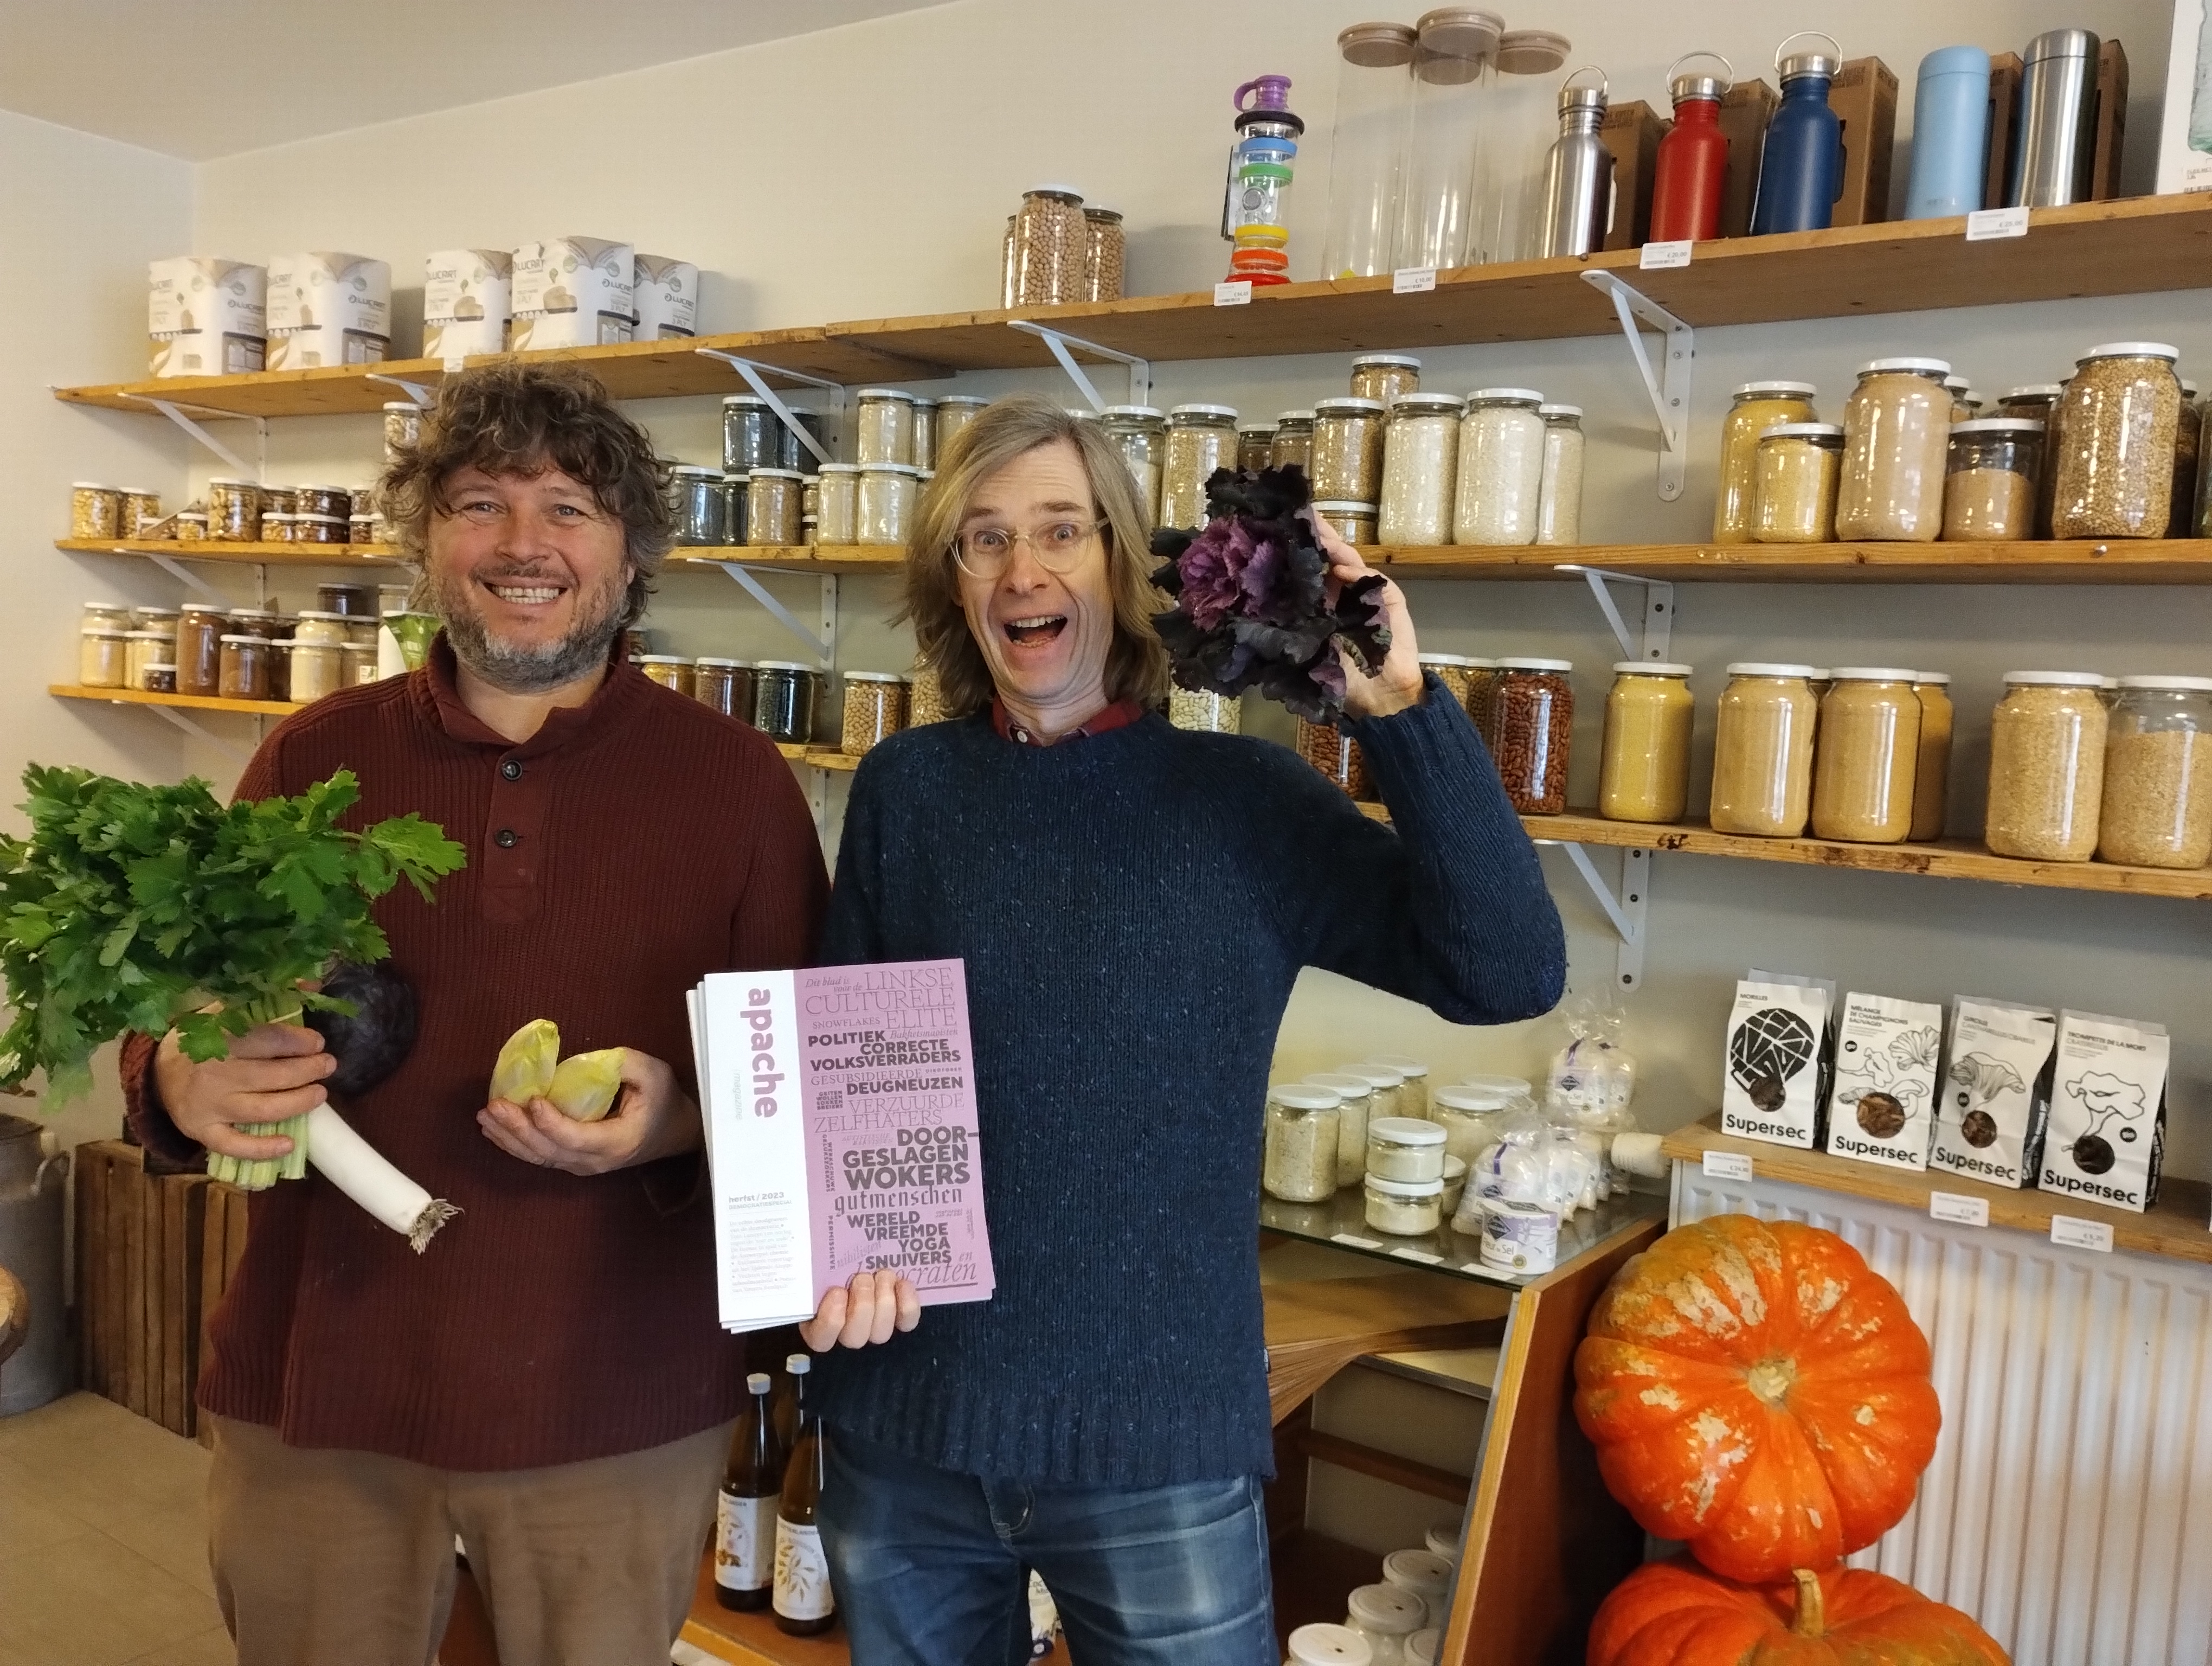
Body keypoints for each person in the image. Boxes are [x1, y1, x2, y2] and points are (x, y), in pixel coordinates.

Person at [808, 393, 1566, 1663]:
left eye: (1061, 529)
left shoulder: (1243, 801)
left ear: (1122, 560)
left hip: (1155, 1440)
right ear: (954, 580)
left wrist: (1405, 712)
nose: (1023, 569)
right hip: (908, 1424)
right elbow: (846, 1079)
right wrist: (829, 1257)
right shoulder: (911, 789)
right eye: (983, 540)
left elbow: (1505, 970)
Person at [119, 362, 831, 1666]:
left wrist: (678, 1123)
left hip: (613, 1398)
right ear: (427, 541)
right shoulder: (312, 756)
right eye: (479, 503)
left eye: (568, 507)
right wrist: (176, 1080)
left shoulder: (737, 787)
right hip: (321, 1383)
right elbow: (185, 1014)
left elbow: (806, 1094)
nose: (523, 545)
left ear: (630, 554)